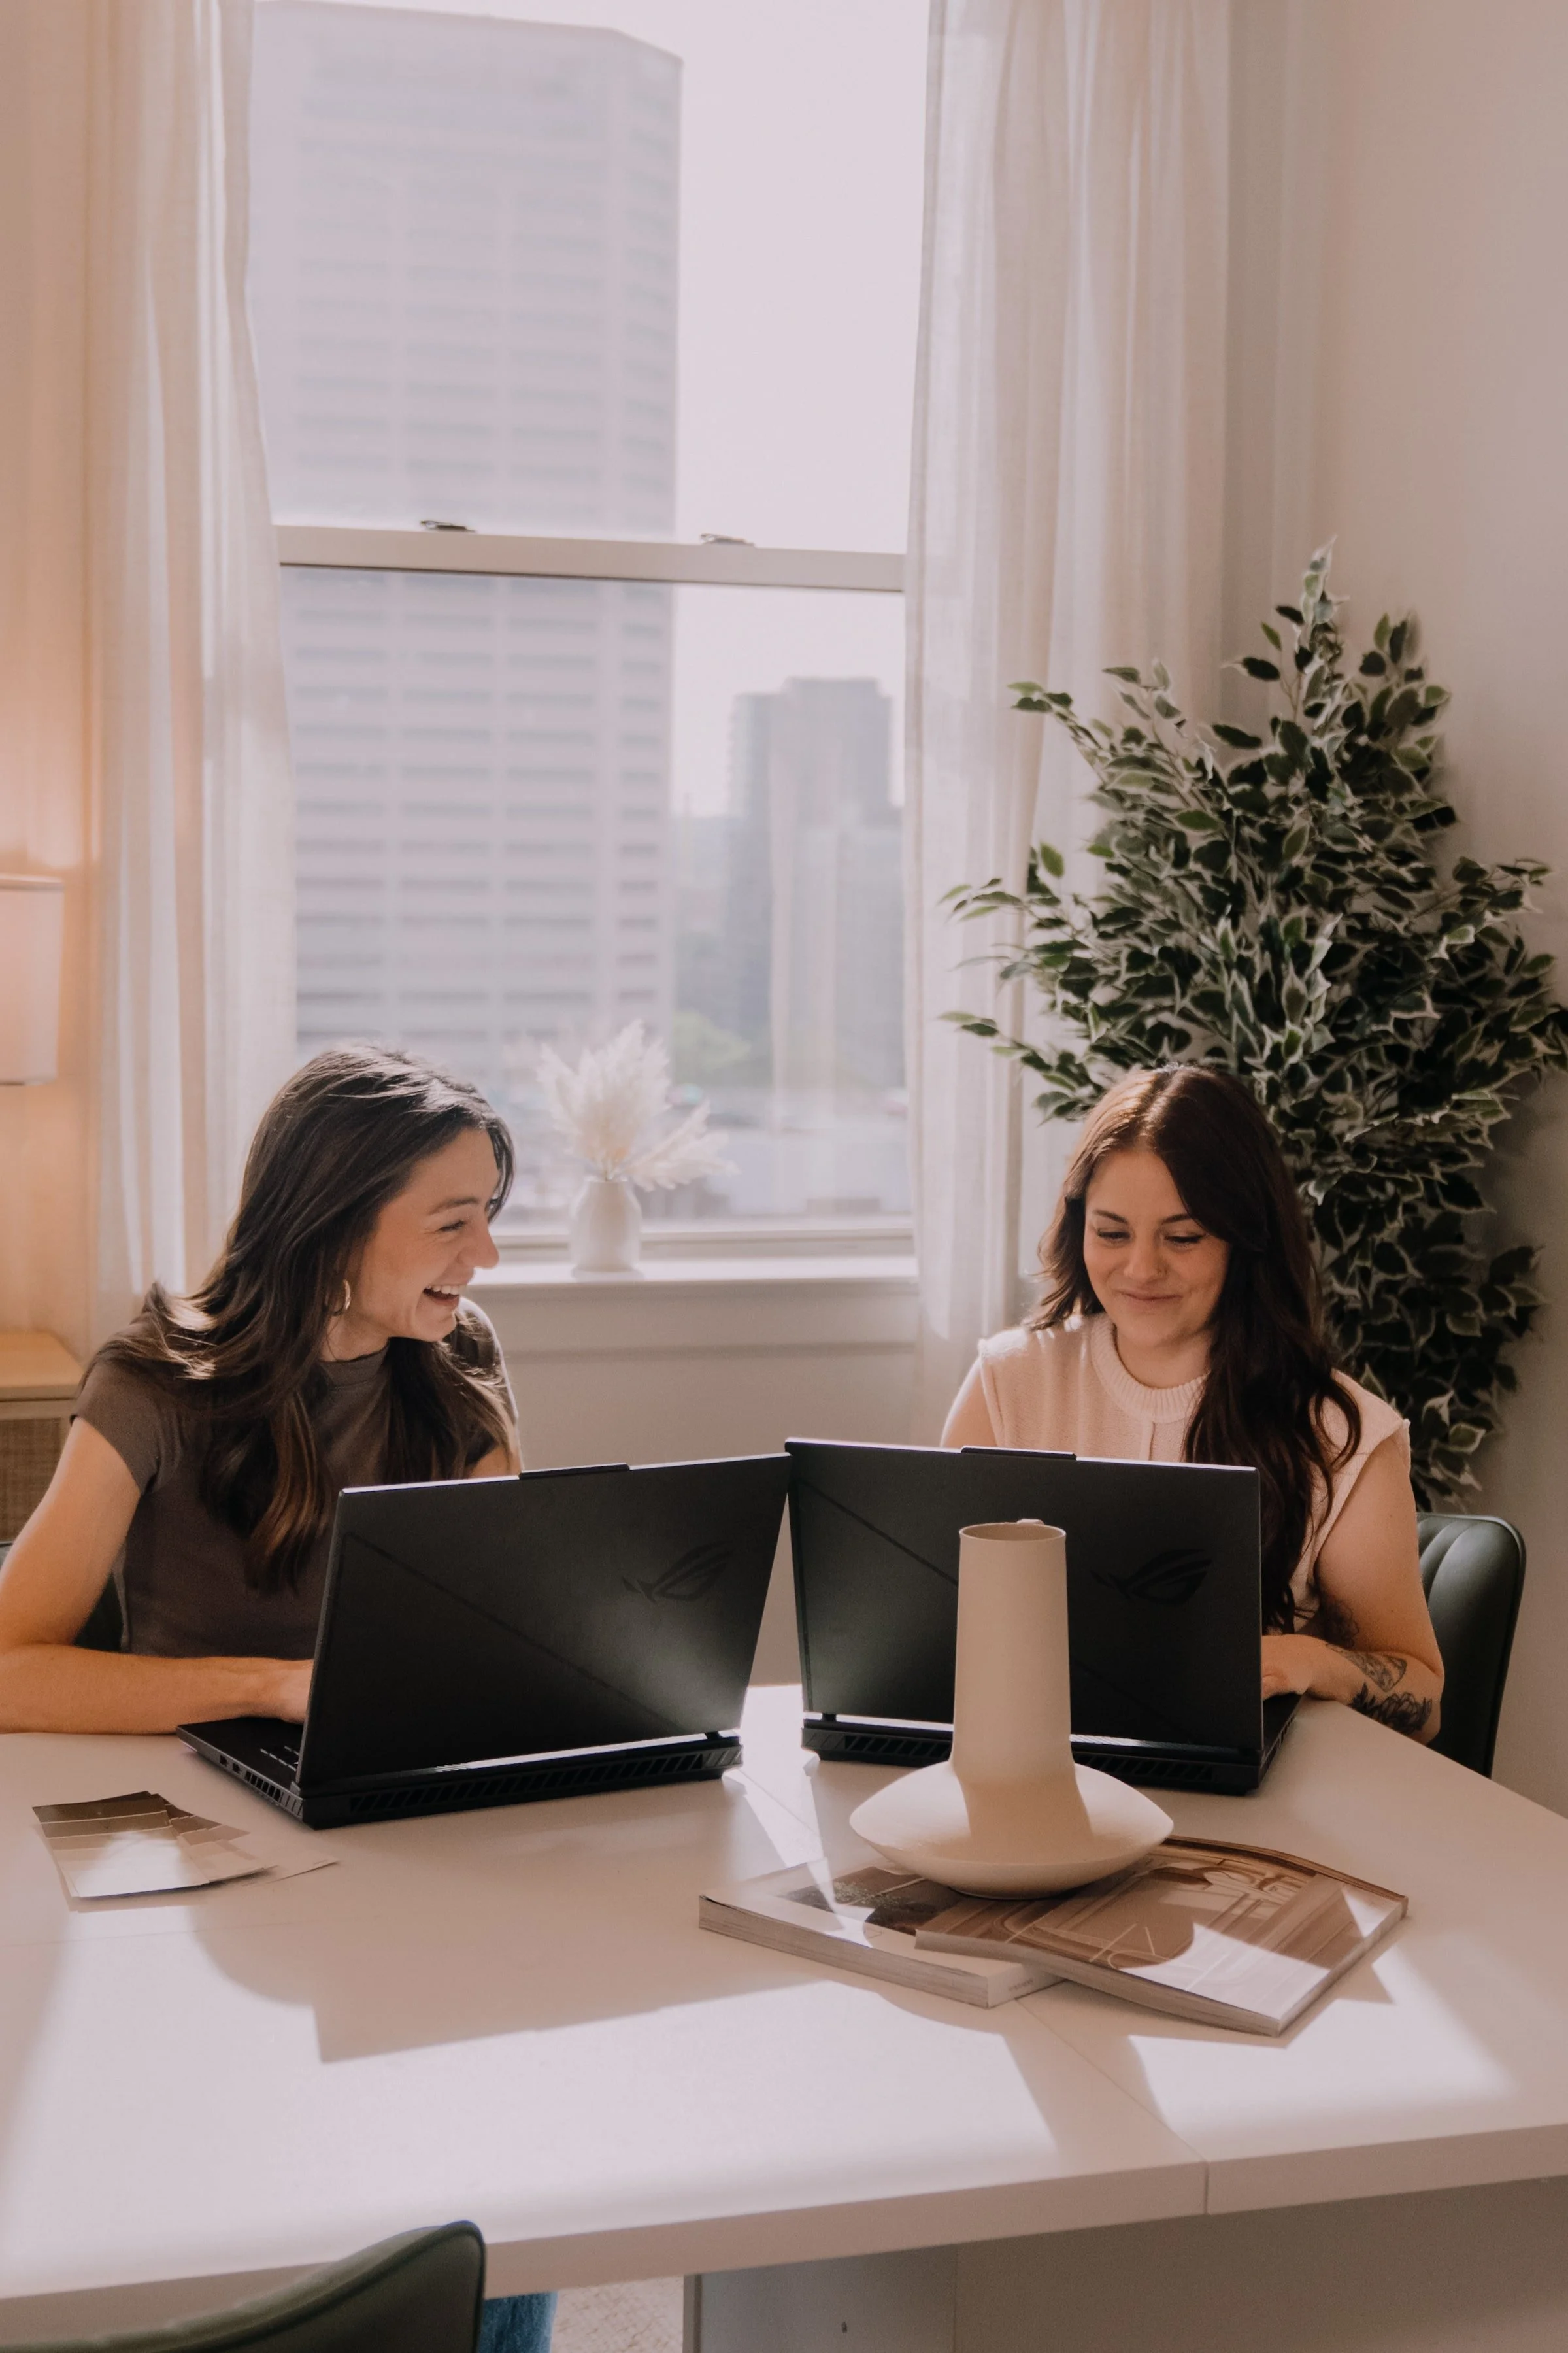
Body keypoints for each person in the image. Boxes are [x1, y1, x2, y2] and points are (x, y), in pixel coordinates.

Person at [0, 1043, 552, 2353]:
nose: (485, 1256)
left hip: (393, 1817)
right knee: (242, 2158)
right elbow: (10, 1661)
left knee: (512, 2147)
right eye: (453, 1219)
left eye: (493, 1215)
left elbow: (511, 1617)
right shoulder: (154, 1380)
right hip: (195, 1834)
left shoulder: (454, 1358)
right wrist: (271, 1684)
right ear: (334, 1213)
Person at [942, 1065, 1444, 1741]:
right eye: (1111, 1233)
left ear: (1245, 1240)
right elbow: (934, 1617)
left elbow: (1421, 1699)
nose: (1141, 1269)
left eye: (1182, 1237)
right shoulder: (1007, 1381)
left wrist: (1311, 1660)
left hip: (1259, 1801)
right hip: (1037, 1763)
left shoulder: (1336, 1434)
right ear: (1076, 1227)